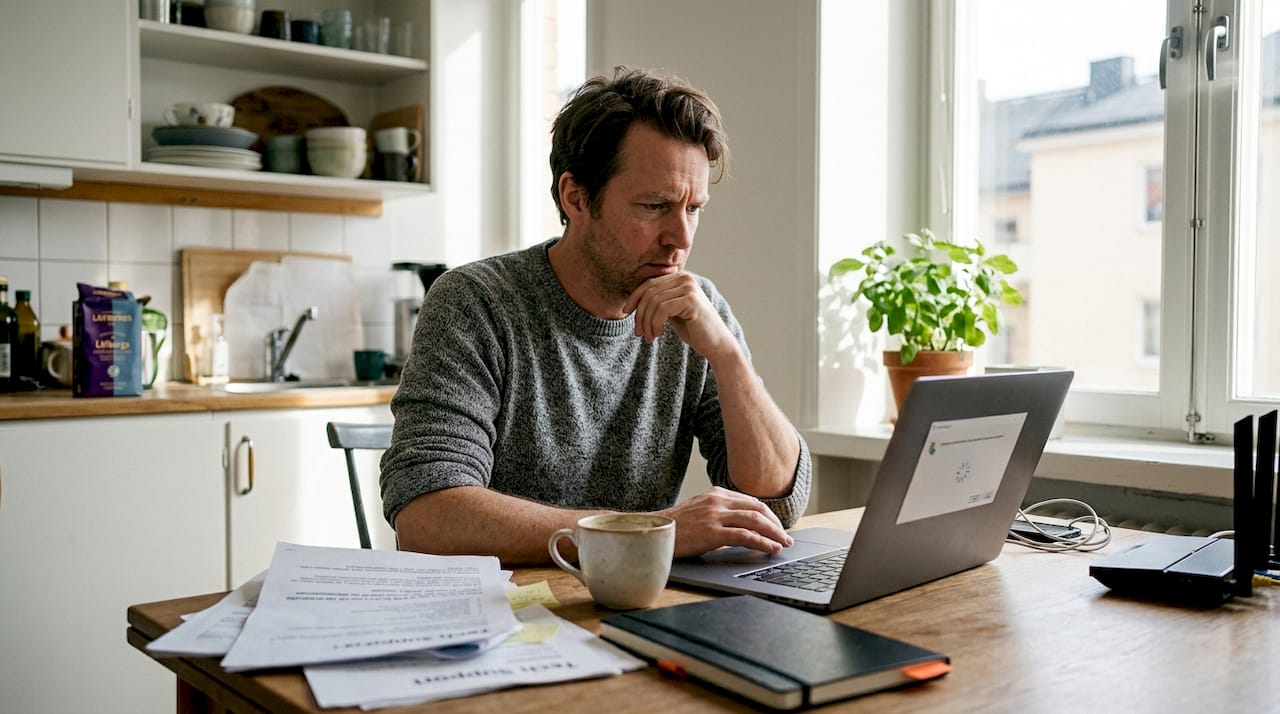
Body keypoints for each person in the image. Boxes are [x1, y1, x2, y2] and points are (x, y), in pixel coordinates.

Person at [380, 66, 811, 564]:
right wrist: (648, 531)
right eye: (655, 205)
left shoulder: (696, 309)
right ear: (576, 198)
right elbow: (427, 516)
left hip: (641, 599)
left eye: (694, 209)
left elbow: (776, 502)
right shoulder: (475, 303)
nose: (681, 238)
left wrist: (729, 358)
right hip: (509, 603)